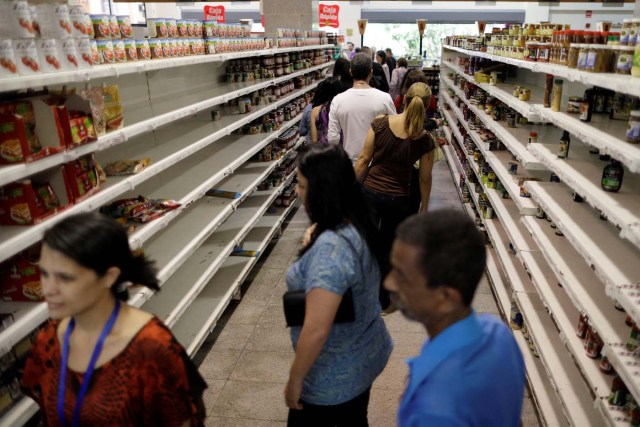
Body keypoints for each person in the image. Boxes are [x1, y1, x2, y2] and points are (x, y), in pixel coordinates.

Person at [21, 213, 207, 426]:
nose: (49, 289)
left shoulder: (151, 347)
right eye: (45, 274)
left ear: (108, 277)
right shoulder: (49, 340)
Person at [284, 144, 393, 426]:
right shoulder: (357, 218)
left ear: (322, 191)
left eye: (302, 186)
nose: (298, 192)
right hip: (364, 354)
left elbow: (317, 329)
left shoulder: (331, 250)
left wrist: (295, 380)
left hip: (332, 378)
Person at [385, 210, 526, 426]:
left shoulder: (433, 411)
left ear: (446, 298)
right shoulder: (498, 333)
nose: (389, 283)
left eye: (401, 275)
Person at [354, 82, 435, 311]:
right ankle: (383, 300)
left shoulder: (380, 123)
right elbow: (425, 179)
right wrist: (425, 207)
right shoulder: (426, 139)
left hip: (369, 193)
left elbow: (363, 160)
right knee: (389, 248)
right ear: (427, 106)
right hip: (398, 199)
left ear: (404, 99)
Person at [328, 53, 396, 162]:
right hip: (377, 163)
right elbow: (395, 130)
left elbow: (332, 138)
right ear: (371, 73)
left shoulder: (338, 100)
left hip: (350, 163)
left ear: (351, 72)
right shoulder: (385, 99)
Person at [311, 77, 343, 144]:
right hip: (342, 148)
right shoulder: (344, 108)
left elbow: (314, 140)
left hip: (324, 150)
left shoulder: (315, 111)